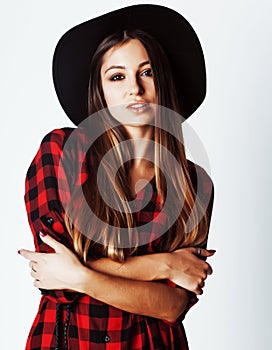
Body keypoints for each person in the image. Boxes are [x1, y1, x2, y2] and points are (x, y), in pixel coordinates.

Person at [19, 4, 215, 350]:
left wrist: (82, 274)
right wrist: (165, 264)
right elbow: (56, 279)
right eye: (117, 76)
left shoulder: (194, 184)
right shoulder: (63, 152)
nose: (134, 90)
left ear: (163, 83)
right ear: (101, 91)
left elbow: (172, 306)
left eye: (147, 73)